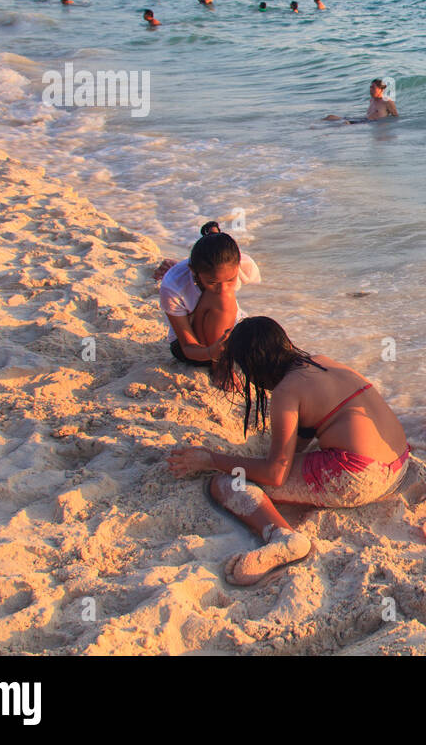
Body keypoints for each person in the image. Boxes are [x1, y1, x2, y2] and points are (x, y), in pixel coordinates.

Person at [166, 317, 411, 586]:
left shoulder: (286, 391)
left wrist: (211, 459)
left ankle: (283, 536)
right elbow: (306, 432)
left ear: (253, 367)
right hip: (399, 463)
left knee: (226, 482)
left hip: (360, 475)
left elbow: (275, 474)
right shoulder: (322, 361)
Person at [158, 231, 261, 368]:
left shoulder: (239, 262)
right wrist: (212, 353)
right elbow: (188, 346)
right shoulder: (172, 286)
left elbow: (218, 248)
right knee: (223, 297)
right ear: (193, 271)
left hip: (229, 330)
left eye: (231, 280)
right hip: (196, 349)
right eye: (213, 282)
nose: (223, 288)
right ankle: (220, 367)